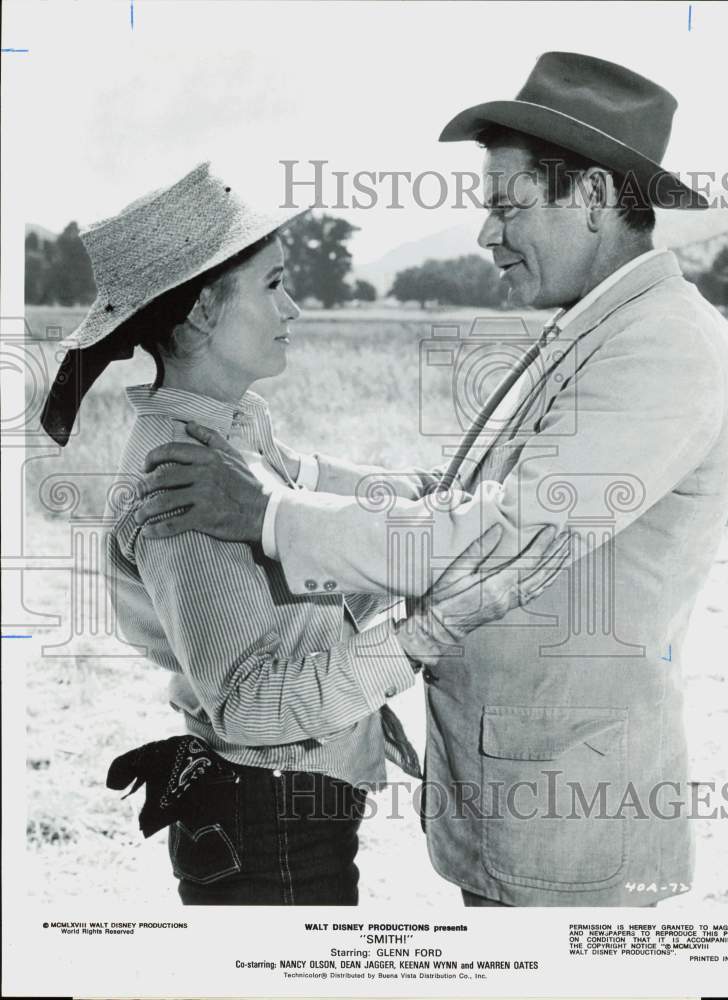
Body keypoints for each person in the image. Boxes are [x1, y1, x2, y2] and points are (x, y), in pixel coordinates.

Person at [135, 53, 728, 906]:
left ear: (595, 198)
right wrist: (302, 474)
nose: (486, 235)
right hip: (526, 804)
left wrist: (274, 517)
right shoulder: (601, 328)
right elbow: (459, 494)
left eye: (507, 205)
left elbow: (498, 537)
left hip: (569, 823)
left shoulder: (663, 350)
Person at [40, 161, 538, 905]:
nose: (295, 309)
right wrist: (421, 637)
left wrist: (427, 489)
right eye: (274, 285)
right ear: (205, 310)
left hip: (274, 812)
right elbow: (248, 710)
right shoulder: (184, 480)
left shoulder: (232, 434)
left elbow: (307, 487)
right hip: (265, 822)